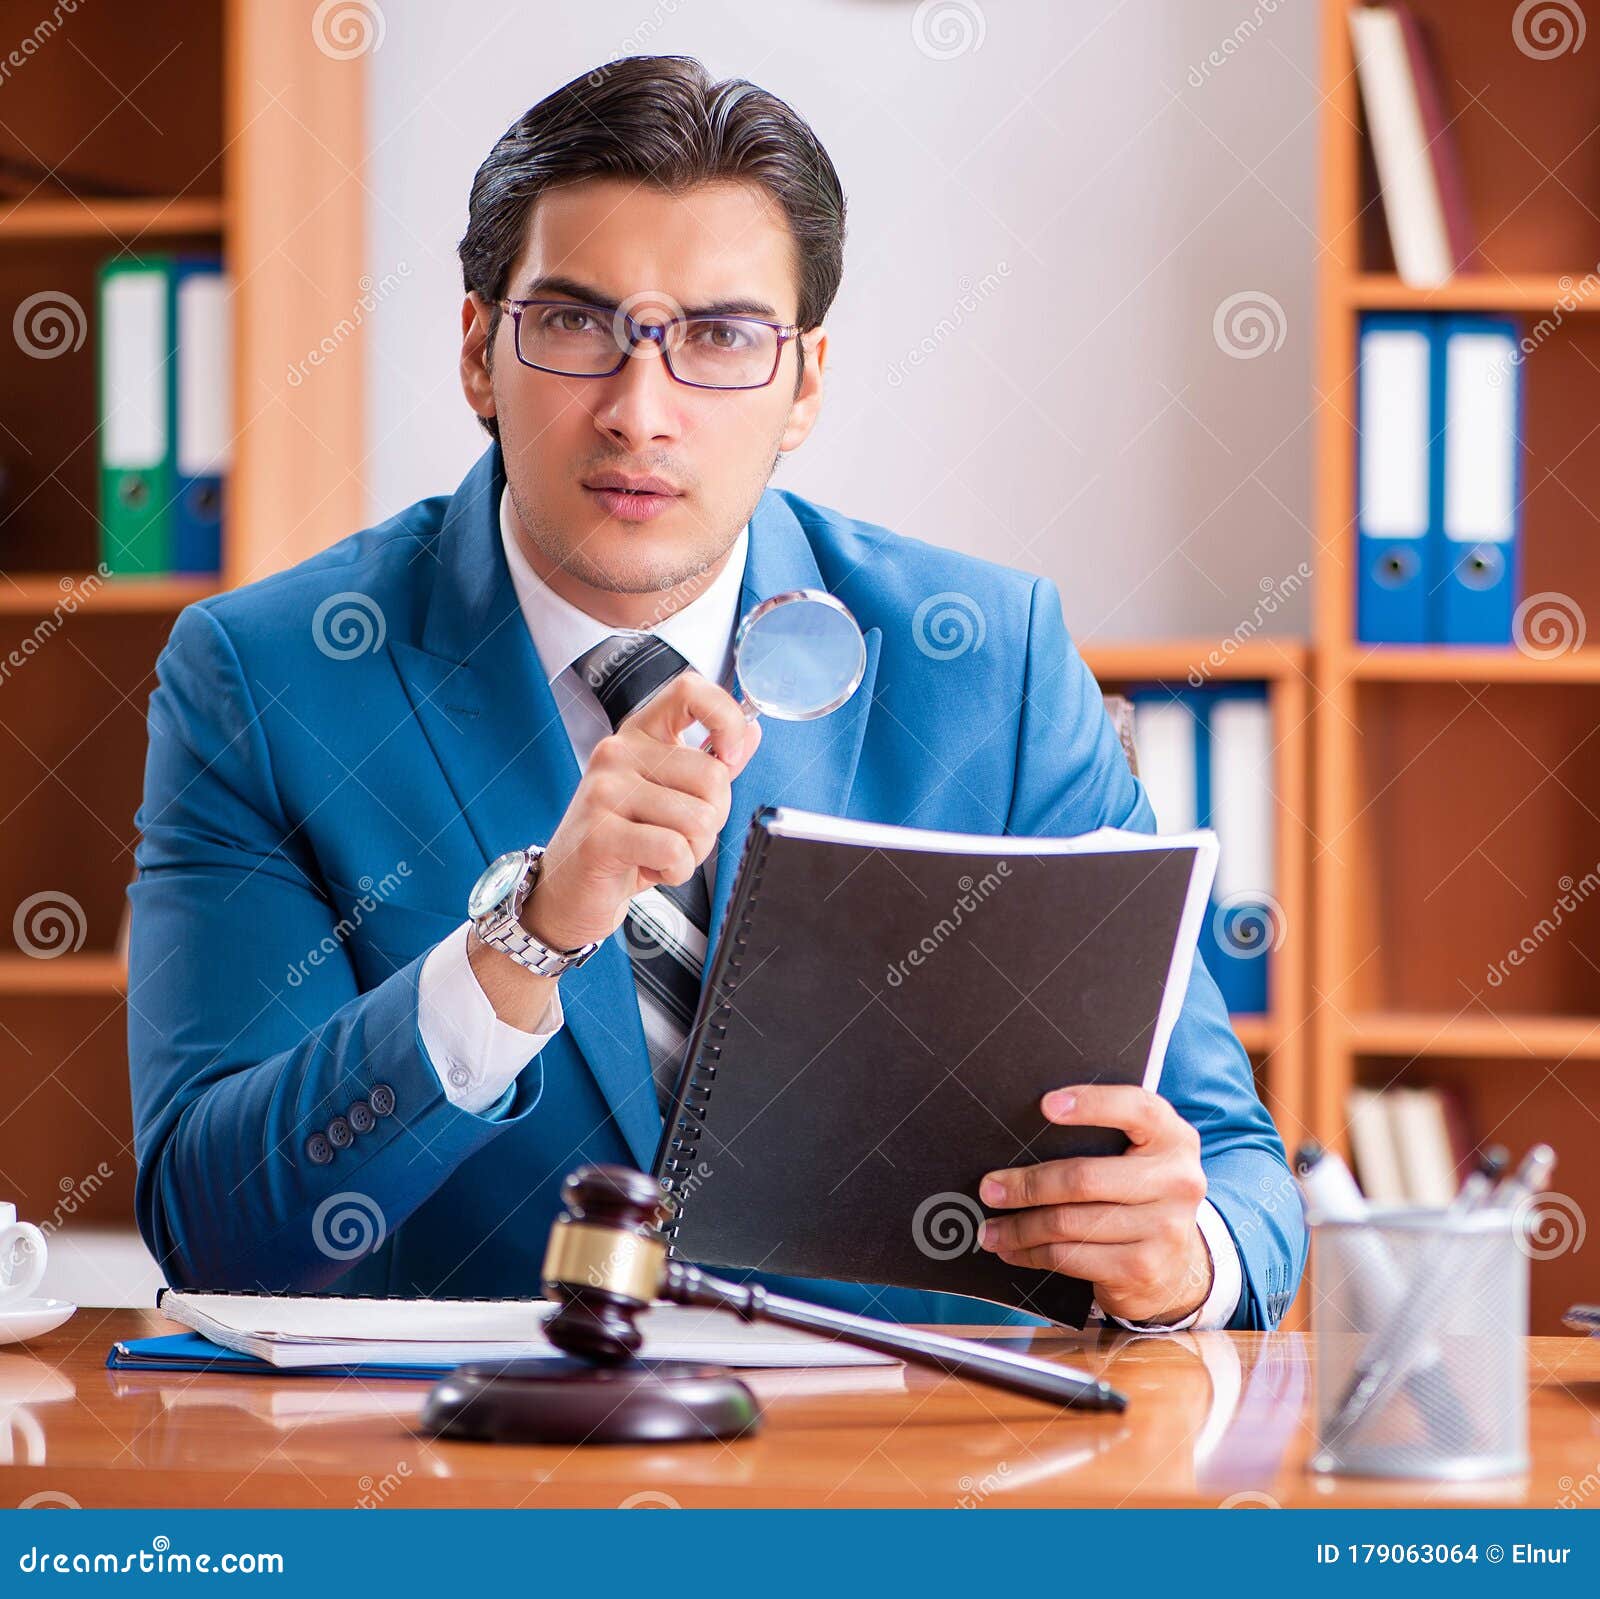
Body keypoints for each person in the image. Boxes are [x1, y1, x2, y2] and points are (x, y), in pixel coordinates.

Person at [128, 55, 1305, 1330]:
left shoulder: (990, 663)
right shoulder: (270, 674)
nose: (641, 414)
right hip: (478, 1471)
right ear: (479, 354)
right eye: (575, 325)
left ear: (802, 383)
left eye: (721, 338)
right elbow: (214, 1224)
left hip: (915, 1475)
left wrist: (1179, 1262)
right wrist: (529, 937)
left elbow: (1236, 1170)